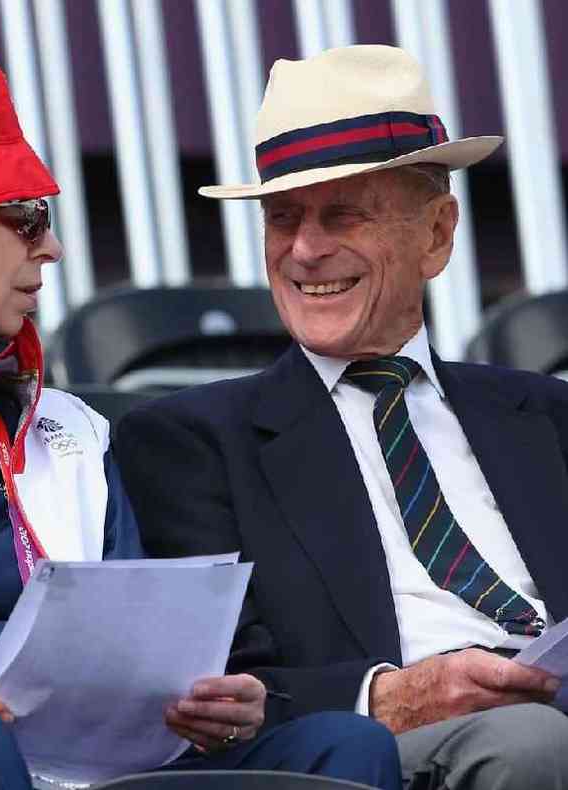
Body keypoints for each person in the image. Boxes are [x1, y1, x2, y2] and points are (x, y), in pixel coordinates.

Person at [0, 51, 402, 790]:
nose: (53, 246)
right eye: (25, 217)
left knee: (344, 747)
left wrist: (201, 703)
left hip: (87, 770)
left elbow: (134, 665)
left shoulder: (74, 432)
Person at [115, 44, 568, 790]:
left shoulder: (547, 415)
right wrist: (387, 697)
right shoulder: (190, 442)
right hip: (395, 753)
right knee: (531, 744)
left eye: (343, 215)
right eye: (282, 218)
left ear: (436, 236)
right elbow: (217, 696)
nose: (305, 251)